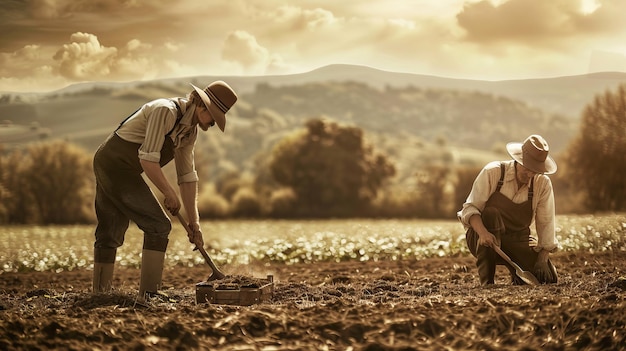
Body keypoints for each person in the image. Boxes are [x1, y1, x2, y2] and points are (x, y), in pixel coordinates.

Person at [91, 81, 238, 299]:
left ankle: (100, 295)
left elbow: (187, 177)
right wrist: (169, 193)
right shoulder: (165, 112)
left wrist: (194, 222)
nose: (213, 125)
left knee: (110, 230)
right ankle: (149, 295)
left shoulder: (189, 133)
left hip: (123, 169)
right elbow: (148, 160)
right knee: (158, 225)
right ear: (202, 107)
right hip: (113, 165)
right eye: (213, 119)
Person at [458, 134, 559, 285]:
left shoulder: (542, 184)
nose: (530, 174)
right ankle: (487, 283)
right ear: (519, 159)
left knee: (547, 279)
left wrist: (542, 258)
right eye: (527, 168)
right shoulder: (493, 172)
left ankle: (517, 274)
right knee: (491, 214)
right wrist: (484, 233)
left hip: (518, 238)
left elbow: (546, 221)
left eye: (535, 170)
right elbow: (470, 208)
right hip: (483, 237)